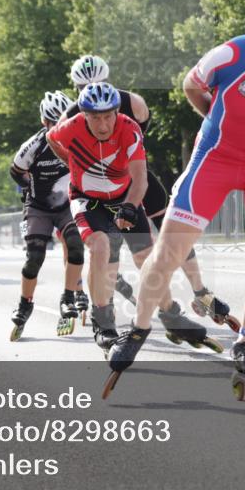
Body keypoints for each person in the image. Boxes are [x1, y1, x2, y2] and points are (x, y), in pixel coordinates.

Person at [106, 0, 245, 405]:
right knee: (167, 254)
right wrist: (215, 121)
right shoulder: (229, 56)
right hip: (214, 160)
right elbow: (190, 86)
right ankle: (139, 328)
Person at [62, 55, 234, 328]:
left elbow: (139, 143)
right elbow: (64, 149)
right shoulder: (72, 116)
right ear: (77, 88)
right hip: (103, 189)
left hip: (137, 177)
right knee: (119, 249)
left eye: (99, 83)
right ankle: (114, 311)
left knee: (173, 233)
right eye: (85, 86)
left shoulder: (133, 104)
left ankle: (201, 292)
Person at [46, 82, 156, 354]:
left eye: (108, 116)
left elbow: (140, 179)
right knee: (100, 246)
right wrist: (72, 161)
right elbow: (51, 137)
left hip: (122, 197)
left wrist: (130, 206)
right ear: (84, 115)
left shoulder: (129, 128)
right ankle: (103, 324)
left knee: (149, 260)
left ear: (117, 113)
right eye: (95, 118)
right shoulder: (70, 127)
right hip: (86, 199)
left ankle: (167, 311)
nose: (103, 125)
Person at [8, 90, 85, 340]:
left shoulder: (78, 138)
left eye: (61, 121)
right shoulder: (33, 145)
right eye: (53, 123)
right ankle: (24, 304)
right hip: (38, 207)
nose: (57, 127)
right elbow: (15, 170)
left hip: (67, 205)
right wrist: (29, 184)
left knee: (75, 246)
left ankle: (69, 297)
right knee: (34, 258)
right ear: (44, 122)